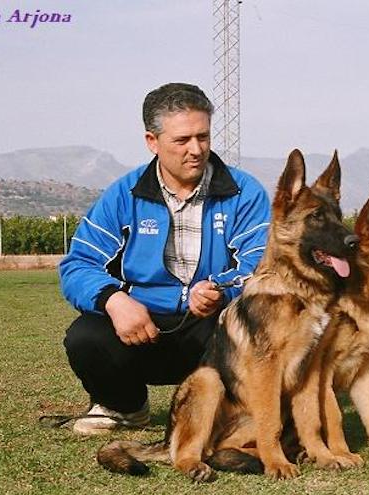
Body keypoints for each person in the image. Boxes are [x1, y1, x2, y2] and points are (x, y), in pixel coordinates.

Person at [59, 83, 270, 435]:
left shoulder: (243, 191)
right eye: (182, 140)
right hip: (143, 327)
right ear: (152, 142)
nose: (196, 150)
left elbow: (261, 264)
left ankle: (236, 410)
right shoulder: (123, 194)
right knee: (86, 337)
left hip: (215, 325)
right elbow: (78, 264)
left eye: (203, 137)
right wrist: (114, 300)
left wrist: (224, 290)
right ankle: (124, 408)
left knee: (257, 328)